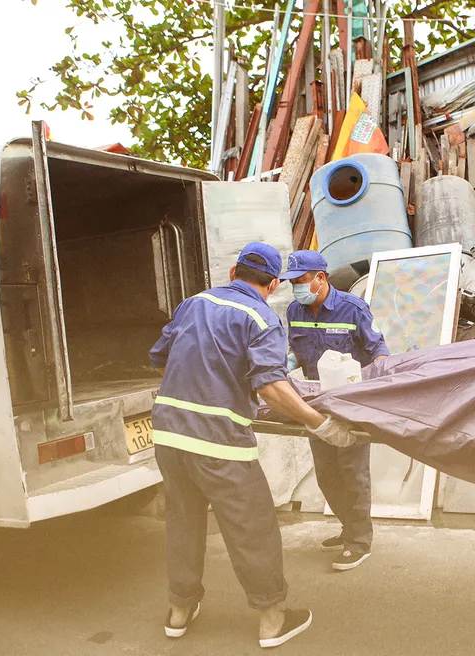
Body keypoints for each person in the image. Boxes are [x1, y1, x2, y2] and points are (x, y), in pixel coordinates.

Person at [150, 242, 355, 649]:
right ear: (274, 284)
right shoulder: (261, 318)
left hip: (169, 436)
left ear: (233, 273)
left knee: (183, 522)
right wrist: (321, 424)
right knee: (253, 528)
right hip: (220, 443)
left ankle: (179, 610)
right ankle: (272, 620)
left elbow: (160, 358)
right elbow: (272, 388)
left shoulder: (192, 303)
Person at [282, 250, 390, 572]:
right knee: (327, 475)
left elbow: (378, 350)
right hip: (316, 404)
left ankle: (359, 541)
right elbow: (296, 350)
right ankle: (349, 528)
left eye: (301, 281)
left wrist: (379, 387)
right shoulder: (294, 310)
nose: (296, 288)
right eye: (292, 283)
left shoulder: (352, 308)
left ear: (320, 278)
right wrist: (286, 363)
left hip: (350, 403)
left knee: (353, 473)